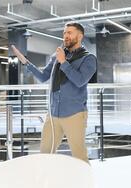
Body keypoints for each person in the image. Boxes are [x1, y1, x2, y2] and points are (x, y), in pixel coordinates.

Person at [11, 22, 97, 163]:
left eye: (69, 32)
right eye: (64, 33)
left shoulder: (88, 58)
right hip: (53, 114)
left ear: (80, 36)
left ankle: (85, 183)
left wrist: (63, 62)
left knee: (79, 156)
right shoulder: (58, 55)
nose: (65, 36)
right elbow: (44, 76)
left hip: (74, 114)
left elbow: (80, 81)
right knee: (45, 154)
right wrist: (26, 63)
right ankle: (45, 183)